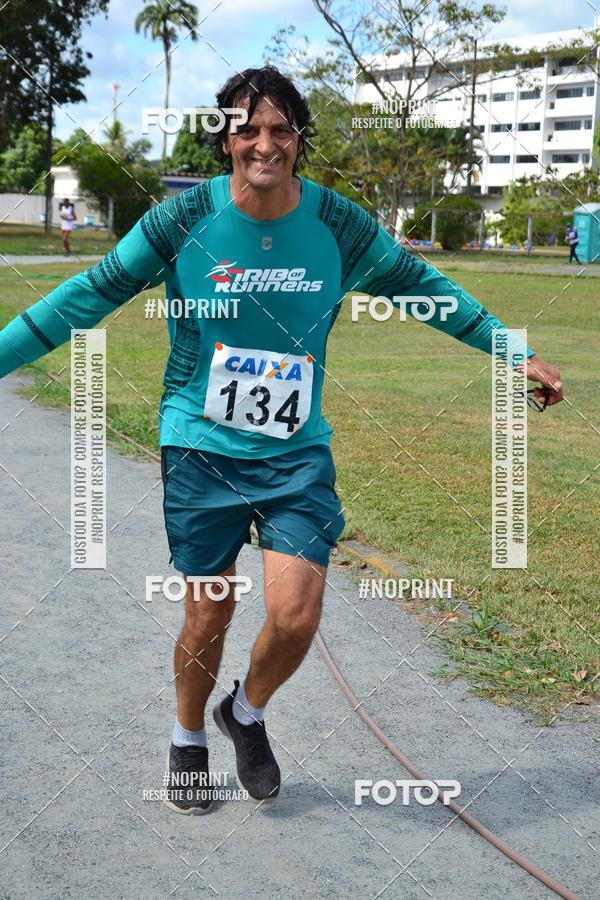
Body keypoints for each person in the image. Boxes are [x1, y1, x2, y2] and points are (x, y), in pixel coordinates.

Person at [0, 66, 564, 815]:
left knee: (297, 615)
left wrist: (513, 352)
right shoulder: (181, 221)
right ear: (225, 140)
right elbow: (85, 295)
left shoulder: (339, 226)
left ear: (299, 140)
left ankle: (246, 712)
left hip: (296, 452)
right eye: (248, 128)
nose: (264, 143)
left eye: (280, 129)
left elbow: (425, 289)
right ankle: (187, 738)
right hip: (199, 444)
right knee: (209, 611)